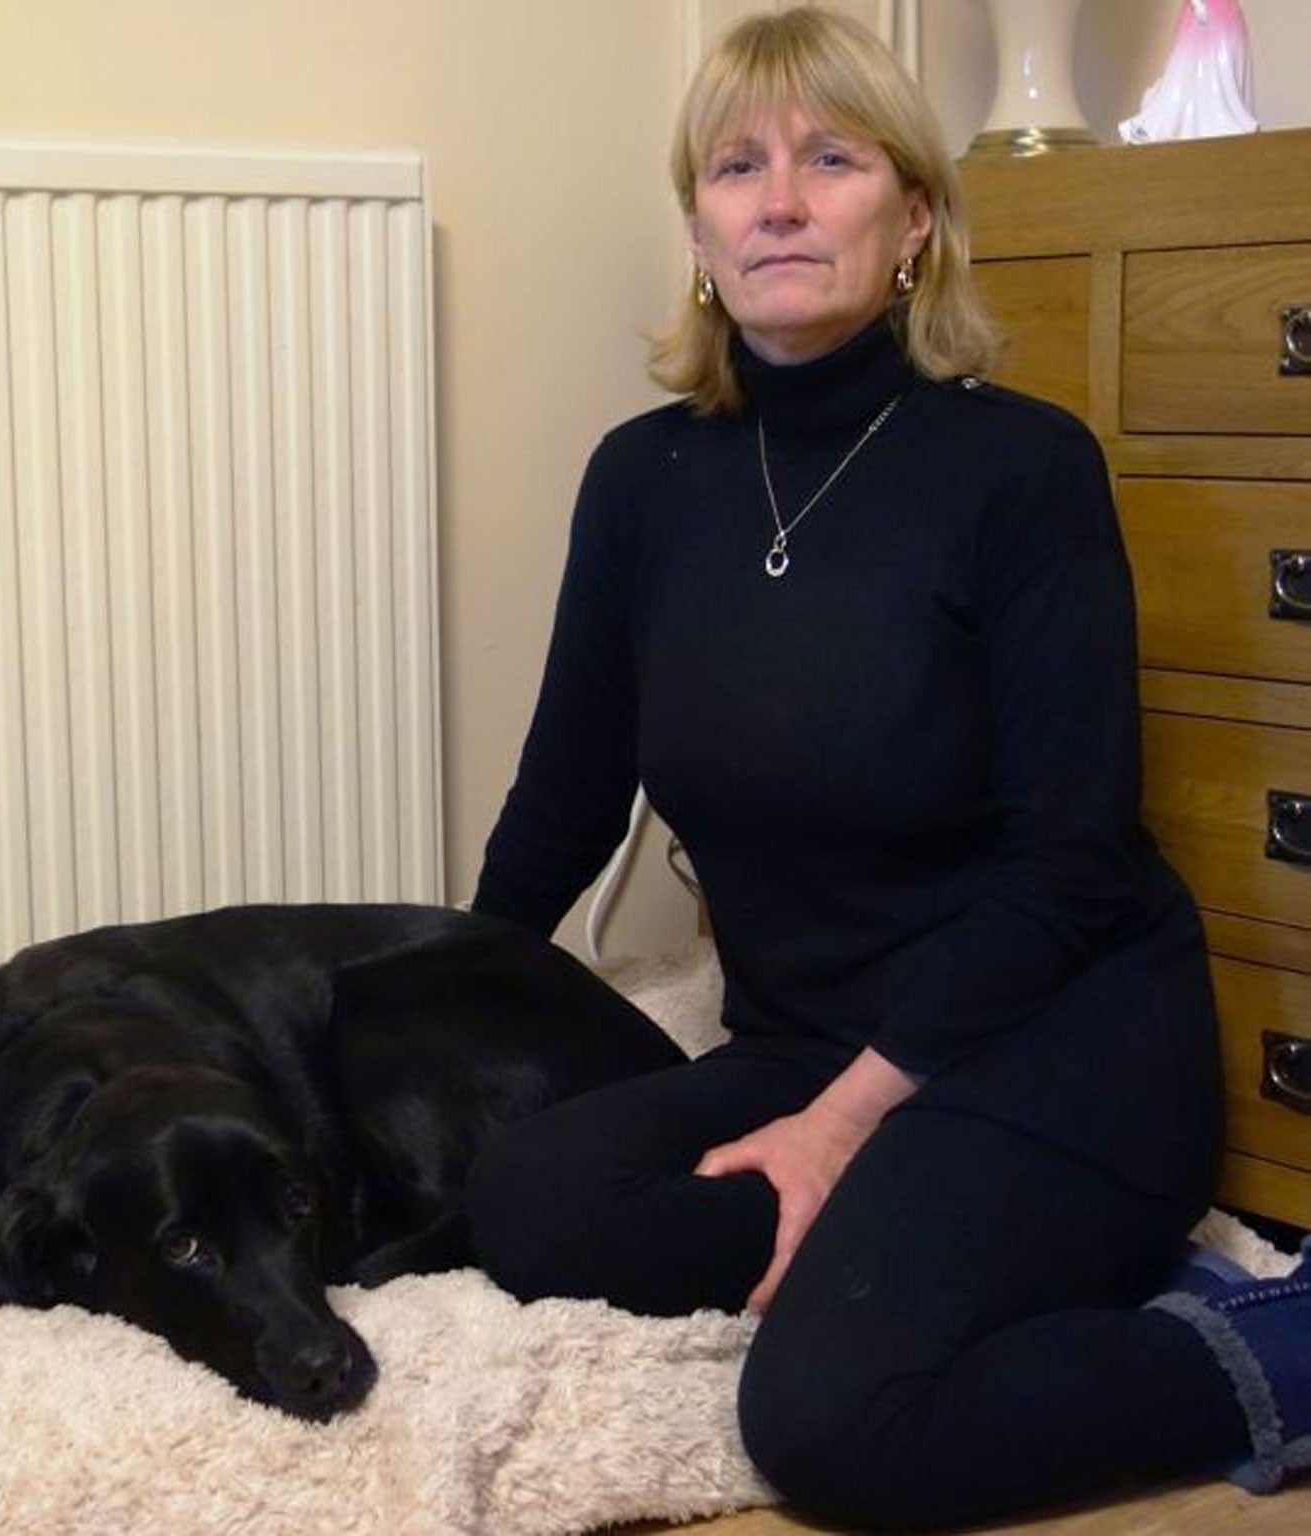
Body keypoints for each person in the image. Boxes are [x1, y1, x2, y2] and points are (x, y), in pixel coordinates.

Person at [461, 6, 1311, 1530]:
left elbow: (1071, 866)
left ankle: (1271, 1335)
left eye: (831, 160)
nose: (778, 199)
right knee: (522, 1200)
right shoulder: (643, 480)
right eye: (737, 167)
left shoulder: (1021, 469)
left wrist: (838, 1129)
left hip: (1051, 1047)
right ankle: (922, 1245)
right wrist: (447, 1006)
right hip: (807, 1037)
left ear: (914, 217)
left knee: (835, 1423)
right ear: (702, 228)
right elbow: (565, 802)